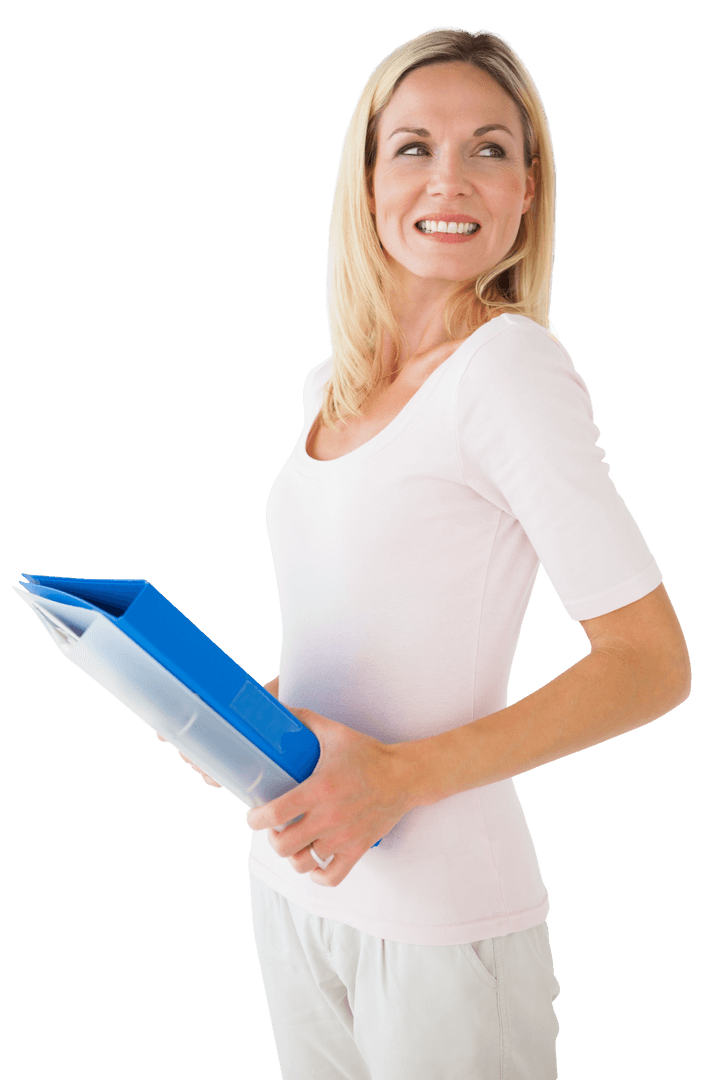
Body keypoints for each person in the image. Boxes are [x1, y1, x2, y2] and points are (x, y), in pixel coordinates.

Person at [173, 24, 690, 1080]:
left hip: (443, 927)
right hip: (298, 886)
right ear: (365, 178)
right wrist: (247, 717)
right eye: (412, 146)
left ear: (527, 187)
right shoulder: (331, 386)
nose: (447, 178)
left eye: (487, 149)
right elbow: (367, 624)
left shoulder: (507, 369)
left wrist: (400, 779)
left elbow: (651, 665)